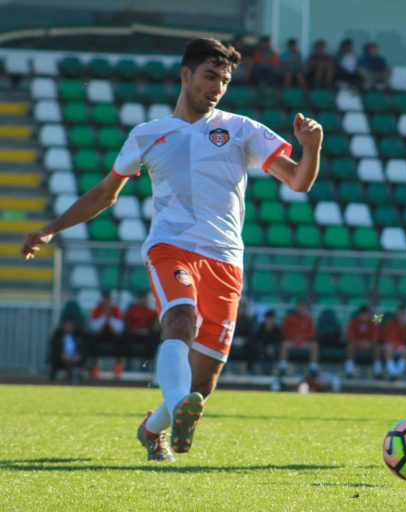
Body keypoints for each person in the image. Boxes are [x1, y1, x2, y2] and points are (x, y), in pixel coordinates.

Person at [21, 37, 323, 462]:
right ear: (186, 74)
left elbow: (298, 181)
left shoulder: (242, 129)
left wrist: (312, 147)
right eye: (210, 76)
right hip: (170, 246)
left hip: (226, 260)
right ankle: (181, 407)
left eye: (225, 81)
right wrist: (52, 229)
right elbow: (106, 194)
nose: (217, 87)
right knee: (179, 320)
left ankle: (153, 428)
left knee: (204, 382)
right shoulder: (148, 134)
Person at [277, 299, 320, 377]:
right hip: (292, 341)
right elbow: (283, 331)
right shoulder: (289, 318)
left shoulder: (308, 319)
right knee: (284, 345)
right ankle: (283, 368)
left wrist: (303, 337)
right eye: (300, 306)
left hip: (304, 342)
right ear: (296, 307)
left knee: (314, 345)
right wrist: (293, 337)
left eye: (303, 307)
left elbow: (312, 333)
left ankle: (313, 369)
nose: (301, 308)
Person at [89, 290, 125, 378]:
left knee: (121, 340)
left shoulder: (115, 309)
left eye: (108, 299)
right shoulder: (97, 309)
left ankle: (118, 367)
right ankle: (94, 367)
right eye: (105, 299)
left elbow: (119, 329)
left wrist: (110, 318)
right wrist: (104, 317)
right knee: (92, 339)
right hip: (100, 335)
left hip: (113, 336)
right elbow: (94, 328)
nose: (106, 301)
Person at [344, 304, 382, 379]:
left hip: (369, 345)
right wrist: (360, 342)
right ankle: (349, 370)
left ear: (368, 315)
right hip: (356, 345)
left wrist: (368, 343)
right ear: (358, 315)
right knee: (350, 346)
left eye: (365, 315)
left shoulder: (373, 323)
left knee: (377, 346)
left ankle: (378, 371)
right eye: (362, 315)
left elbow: (375, 338)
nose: (363, 317)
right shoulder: (353, 322)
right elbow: (350, 337)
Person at [123, 290, 159, 368]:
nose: (143, 301)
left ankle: (145, 364)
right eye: (141, 299)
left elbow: (153, 326)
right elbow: (127, 325)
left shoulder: (151, 312)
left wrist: (148, 330)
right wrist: (135, 330)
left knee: (153, 339)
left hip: (146, 335)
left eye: (144, 299)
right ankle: (128, 363)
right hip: (134, 334)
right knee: (126, 337)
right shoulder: (132, 310)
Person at [48, 316, 84, 383]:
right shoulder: (58, 335)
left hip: (75, 357)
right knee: (67, 363)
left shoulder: (78, 335)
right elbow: (54, 348)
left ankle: (74, 380)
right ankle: (69, 380)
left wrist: (79, 355)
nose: (68, 328)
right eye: (67, 326)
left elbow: (83, 348)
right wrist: (61, 355)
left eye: (70, 326)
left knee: (74, 363)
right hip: (61, 358)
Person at [381, 304, 406, 380]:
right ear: (396, 314)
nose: (401, 316)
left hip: (400, 347)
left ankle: (397, 373)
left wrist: (402, 327)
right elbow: (386, 338)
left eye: (403, 314)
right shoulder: (389, 324)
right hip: (390, 346)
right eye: (400, 313)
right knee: (388, 347)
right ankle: (393, 372)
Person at [246, 309, 282, 374]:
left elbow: (278, 341)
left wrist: (271, 346)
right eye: (268, 318)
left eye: (271, 319)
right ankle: (258, 370)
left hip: (273, 349)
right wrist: (265, 347)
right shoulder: (261, 328)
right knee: (257, 349)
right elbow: (257, 339)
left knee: (274, 350)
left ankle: (271, 370)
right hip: (262, 348)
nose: (269, 320)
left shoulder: (277, 329)